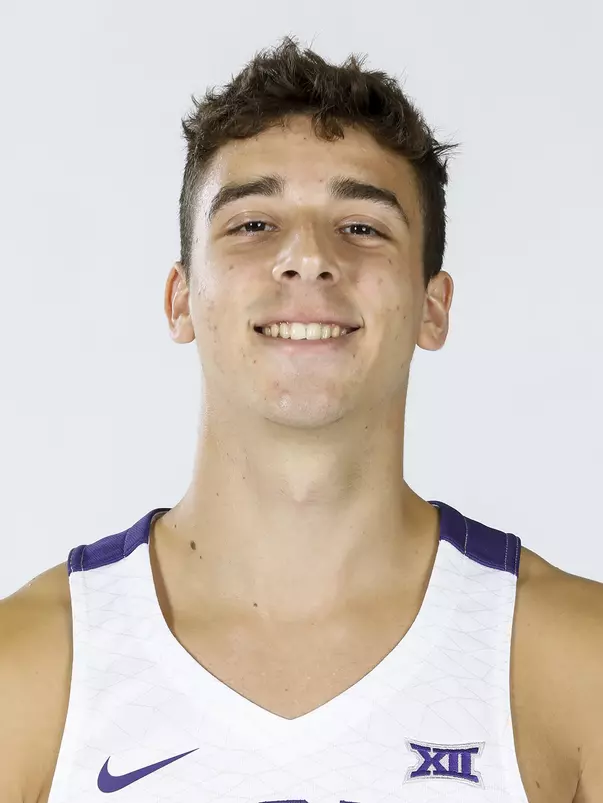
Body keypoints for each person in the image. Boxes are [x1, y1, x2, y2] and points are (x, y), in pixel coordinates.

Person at [1, 35, 601, 803]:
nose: (308, 258)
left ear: (432, 306)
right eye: (253, 224)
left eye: (362, 226)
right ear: (181, 299)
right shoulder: (29, 670)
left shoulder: (578, 665)